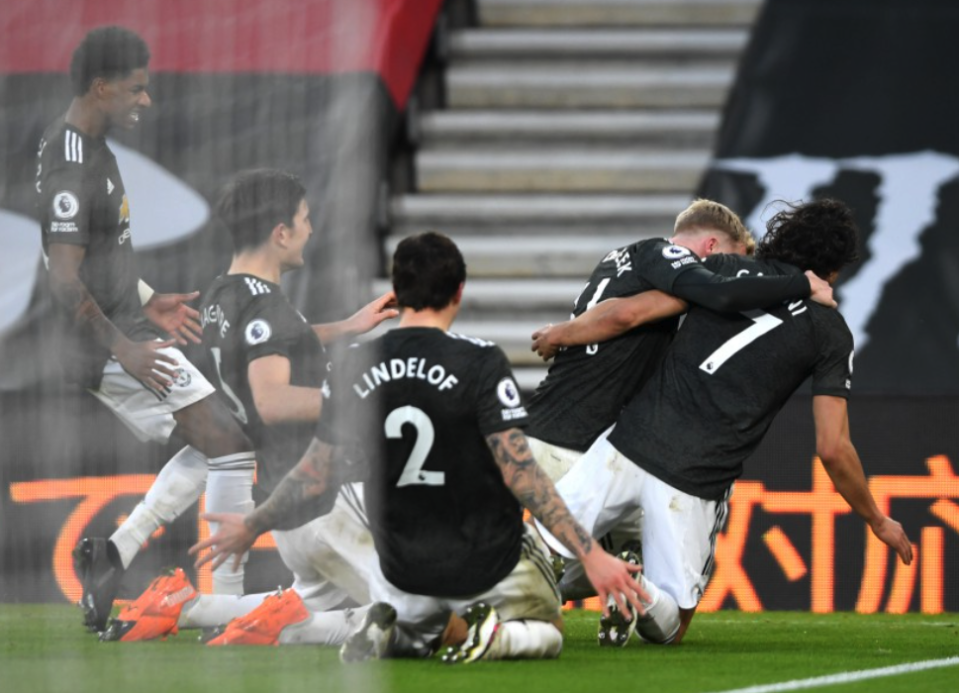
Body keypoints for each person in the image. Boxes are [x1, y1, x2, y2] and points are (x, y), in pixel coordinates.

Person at [191, 231, 648, 664]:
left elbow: (314, 472)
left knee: (414, 614)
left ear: (397, 291)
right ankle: (488, 637)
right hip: (480, 555)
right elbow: (521, 473)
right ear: (459, 292)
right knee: (550, 631)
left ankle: (404, 625)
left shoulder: (355, 366)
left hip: (402, 561)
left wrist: (253, 524)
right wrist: (592, 554)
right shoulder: (479, 361)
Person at [533, 198, 913, 647]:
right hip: (695, 478)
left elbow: (627, 312)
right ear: (834, 270)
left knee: (540, 543)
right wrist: (876, 520)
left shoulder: (724, 270)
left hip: (624, 445)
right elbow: (833, 447)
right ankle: (638, 589)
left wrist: (561, 332)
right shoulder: (830, 331)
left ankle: (471, 595)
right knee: (671, 628)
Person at [100, 168, 398, 646]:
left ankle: (185, 604)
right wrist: (357, 404)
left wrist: (347, 325)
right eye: (304, 219)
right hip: (326, 495)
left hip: (286, 506)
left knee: (305, 596)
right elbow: (272, 399)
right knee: (413, 613)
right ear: (280, 233)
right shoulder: (268, 308)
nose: (311, 229)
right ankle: (295, 631)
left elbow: (276, 344)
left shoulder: (222, 293)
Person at [35, 25, 256, 632]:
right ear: (102, 87)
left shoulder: (91, 146)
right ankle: (231, 607)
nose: (146, 101)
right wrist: (123, 347)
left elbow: (98, 257)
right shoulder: (71, 161)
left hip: (121, 327)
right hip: (101, 344)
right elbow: (61, 276)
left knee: (223, 439)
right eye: (136, 90)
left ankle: (113, 554)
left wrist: (147, 298)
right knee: (232, 444)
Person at [526, 199, 835, 482]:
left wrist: (561, 332)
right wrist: (800, 284)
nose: (737, 274)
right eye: (734, 263)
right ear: (712, 246)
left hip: (550, 424)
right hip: (572, 441)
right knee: (624, 535)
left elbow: (621, 313)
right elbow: (630, 314)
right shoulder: (665, 254)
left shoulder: (623, 259)